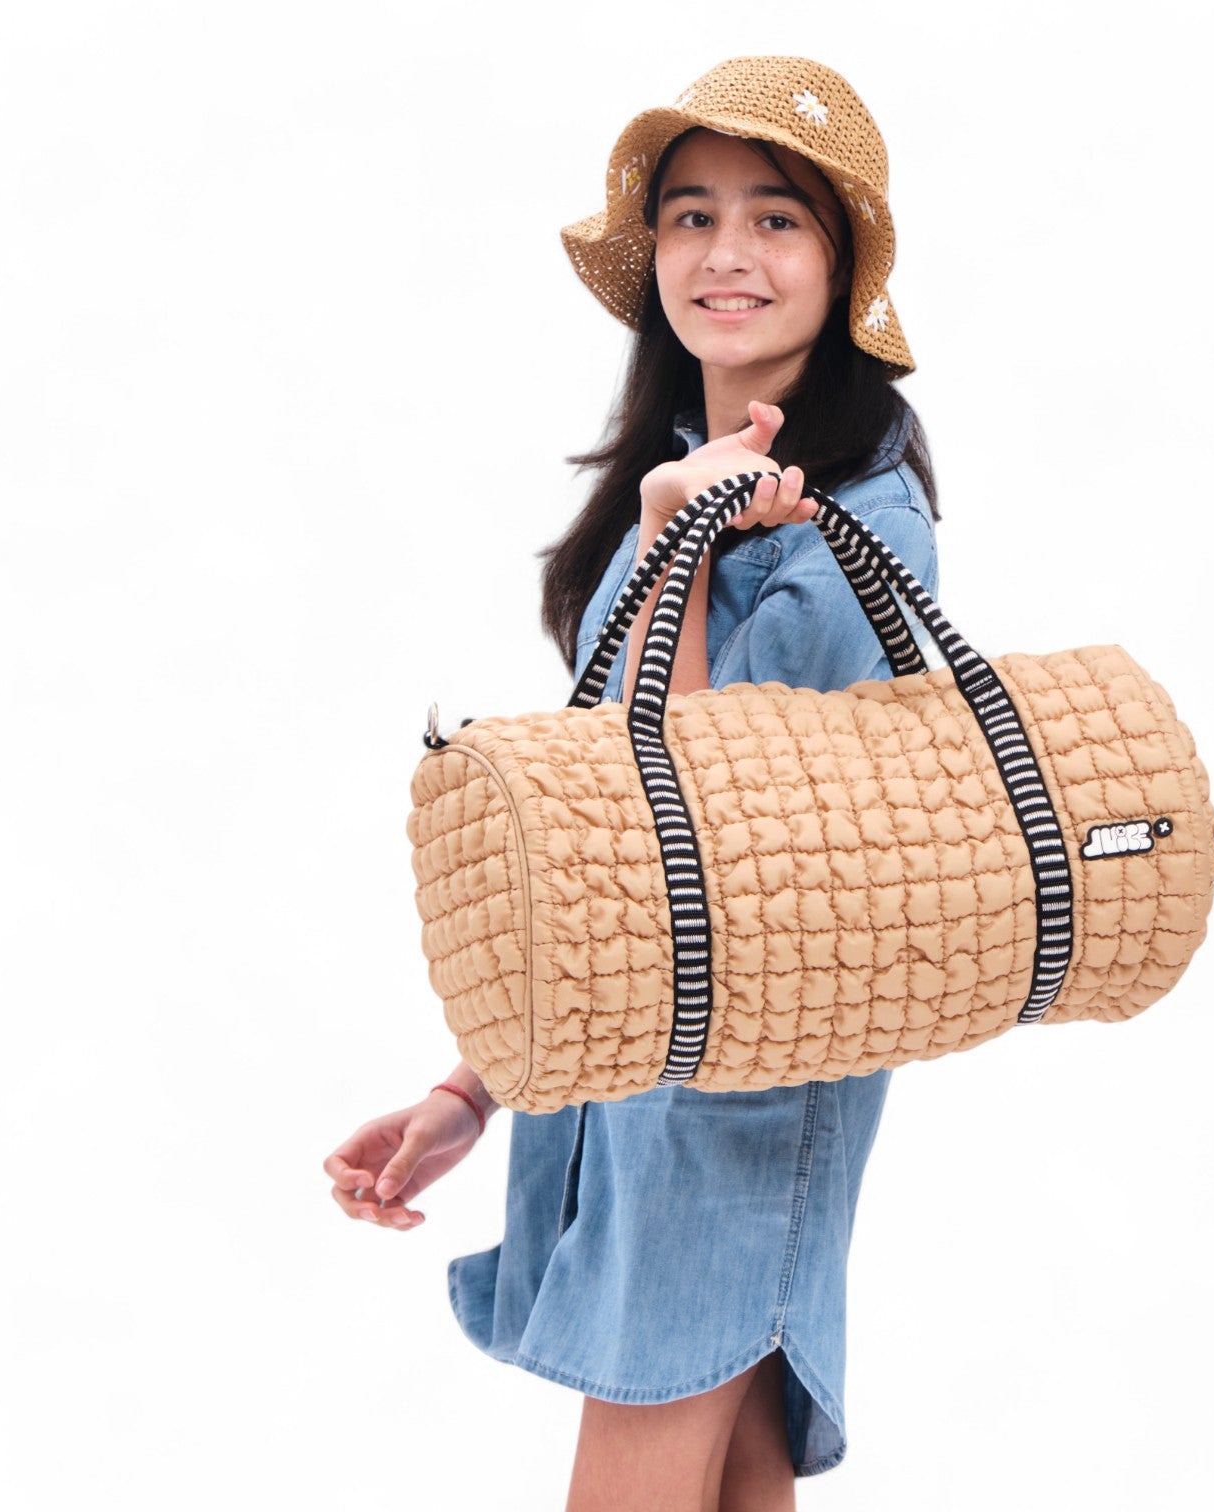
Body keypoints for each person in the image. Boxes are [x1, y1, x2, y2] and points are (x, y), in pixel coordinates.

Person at [323, 56, 940, 1512]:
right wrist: (474, 1087)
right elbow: (605, 840)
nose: (726, 253)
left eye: (776, 218)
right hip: (651, 1069)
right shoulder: (673, 479)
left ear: (842, 266)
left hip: (742, 1090)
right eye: (690, 216)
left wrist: (685, 547)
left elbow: (717, 827)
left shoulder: (861, 517)